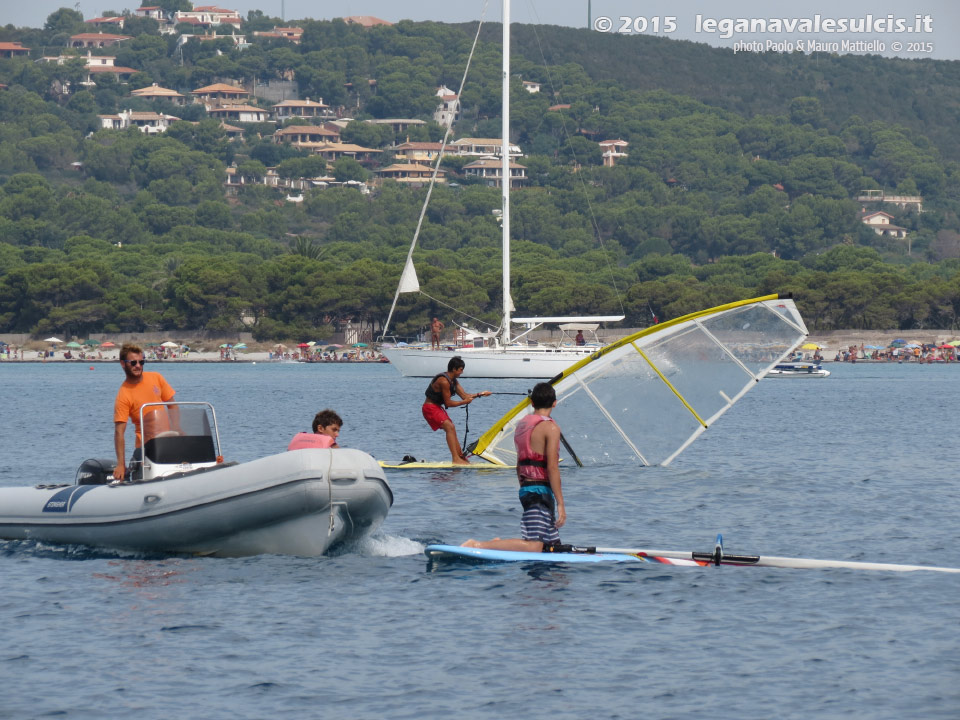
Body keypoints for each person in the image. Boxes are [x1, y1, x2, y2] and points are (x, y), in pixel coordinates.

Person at [462, 383, 565, 551]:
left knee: (551, 546)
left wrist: (524, 488)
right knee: (534, 546)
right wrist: (561, 503)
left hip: (526, 488)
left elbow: (519, 463)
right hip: (539, 492)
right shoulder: (551, 428)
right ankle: (479, 545)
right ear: (554, 403)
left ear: (532, 403)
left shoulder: (522, 424)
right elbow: (553, 467)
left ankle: (497, 544)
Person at [113, 343, 177, 481]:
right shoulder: (123, 395)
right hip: (145, 446)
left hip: (168, 439)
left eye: (141, 362)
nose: (138, 366)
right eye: (133, 362)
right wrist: (120, 465)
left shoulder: (156, 378)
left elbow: (173, 406)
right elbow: (119, 432)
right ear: (123, 364)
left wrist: (179, 430)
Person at [422, 356, 490, 465]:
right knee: (449, 427)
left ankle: (461, 458)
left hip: (437, 407)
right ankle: (455, 459)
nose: (462, 372)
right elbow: (448, 403)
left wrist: (480, 394)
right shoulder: (443, 381)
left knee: (452, 428)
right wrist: (465, 402)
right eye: (461, 370)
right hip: (429, 408)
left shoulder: (453, 381)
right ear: (454, 369)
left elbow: (464, 396)